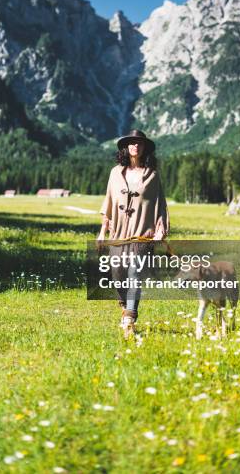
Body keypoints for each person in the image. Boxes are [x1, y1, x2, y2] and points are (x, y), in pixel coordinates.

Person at [97, 129, 170, 337]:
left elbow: (160, 204)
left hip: (142, 236)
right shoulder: (115, 173)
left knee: (134, 275)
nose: (135, 146)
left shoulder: (152, 175)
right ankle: (124, 306)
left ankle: (130, 317)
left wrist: (160, 230)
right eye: (131, 143)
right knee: (118, 275)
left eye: (139, 143)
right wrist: (103, 231)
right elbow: (109, 202)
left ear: (144, 147)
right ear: (126, 147)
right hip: (118, 234)